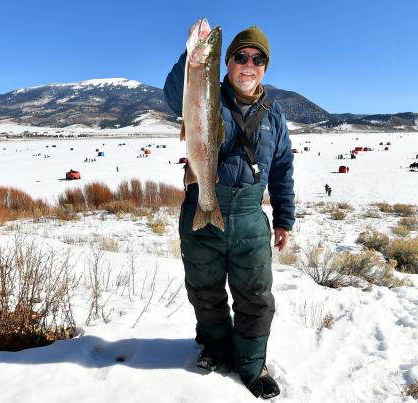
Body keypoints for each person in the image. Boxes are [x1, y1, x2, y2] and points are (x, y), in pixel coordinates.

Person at [164, 22, 294, 399]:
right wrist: (192, 55)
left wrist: (284, 218)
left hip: (251, 217)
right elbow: (175, 97)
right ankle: (216, 352)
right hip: (202, 206)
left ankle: (253, 368)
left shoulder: (274, 116)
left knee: (255, 297)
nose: (248, 64)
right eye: (240, 57)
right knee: (205, 291)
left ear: (265, 67)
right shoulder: (205, 93)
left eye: (257, 59)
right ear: (227, 63)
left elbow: (283, 170)